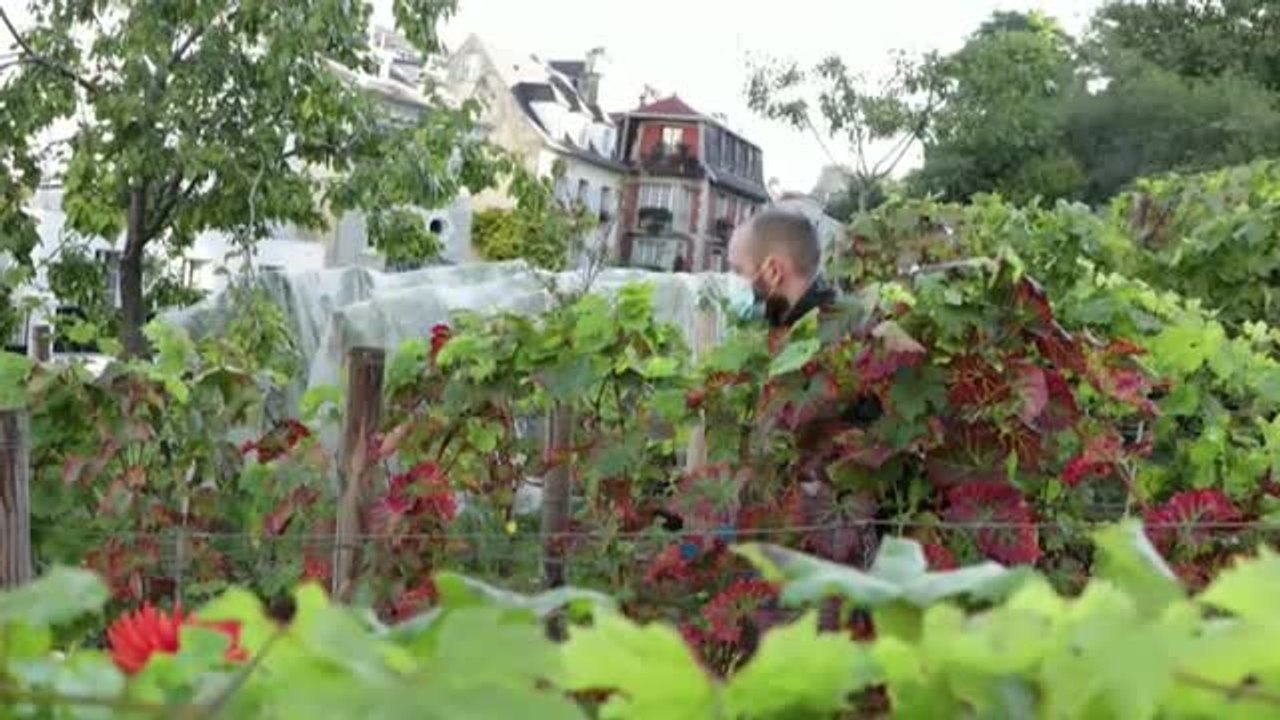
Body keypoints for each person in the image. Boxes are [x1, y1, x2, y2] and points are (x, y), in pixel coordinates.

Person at [726, 208, 835, 328]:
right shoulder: (829, 319)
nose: (732, 280)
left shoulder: (818, 338)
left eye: (738, 270)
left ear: (773, 271)